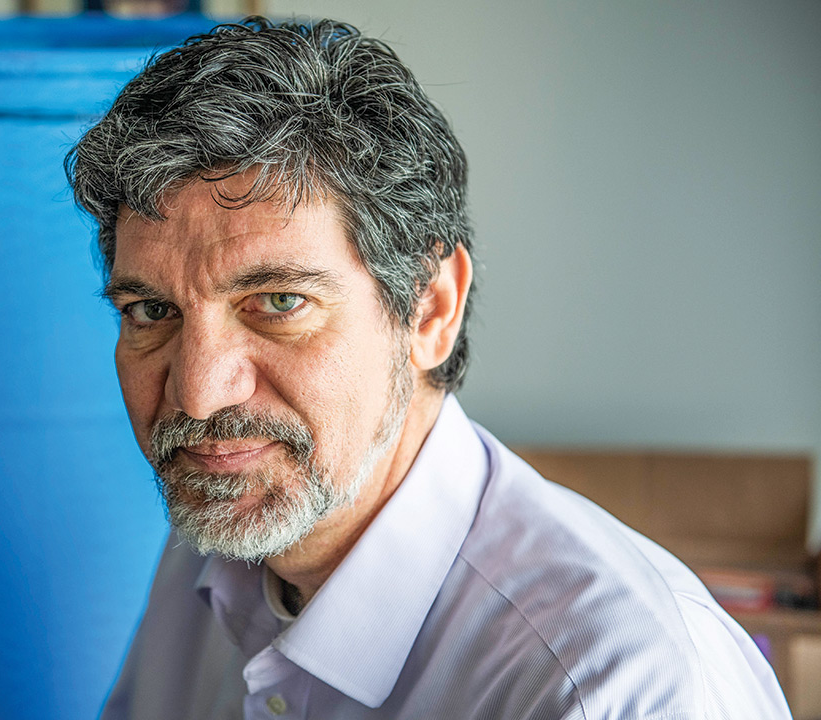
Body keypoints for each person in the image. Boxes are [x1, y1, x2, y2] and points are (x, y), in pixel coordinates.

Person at [66, 17, 791, 720]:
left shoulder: (613, 690)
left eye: (277, 301)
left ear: (430, 309)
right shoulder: (219, 531)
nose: (197, 395)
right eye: (150, 312)